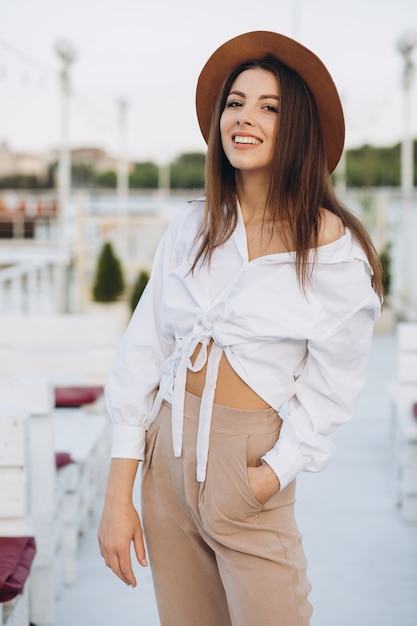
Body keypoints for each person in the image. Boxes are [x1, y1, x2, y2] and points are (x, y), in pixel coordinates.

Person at [98, 30, 383, 626]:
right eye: (235, 102)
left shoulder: (332, 251)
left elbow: (335, 387)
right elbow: (143, 353)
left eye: (268, 106)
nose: (244, 117)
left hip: (248, 476)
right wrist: (117, 496)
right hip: (164, 471)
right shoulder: (192, 226)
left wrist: (269, 475)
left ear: (297, 127)